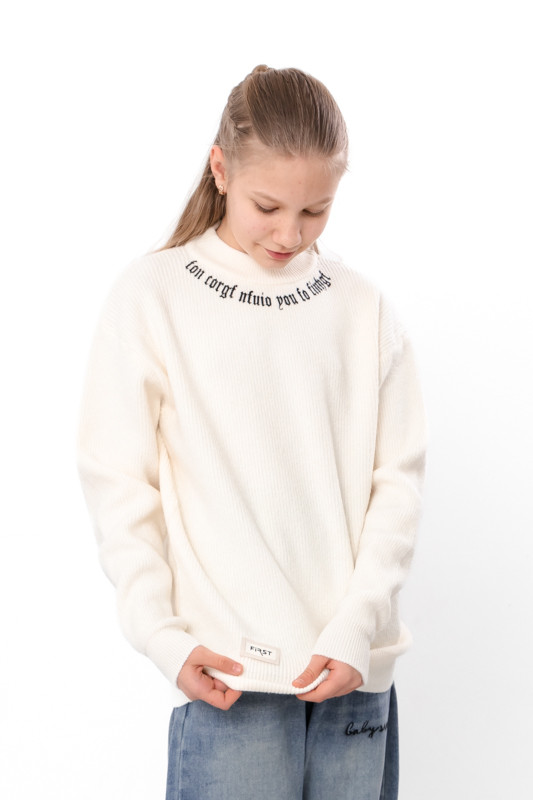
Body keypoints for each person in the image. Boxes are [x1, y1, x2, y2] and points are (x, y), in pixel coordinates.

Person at [77, 65, 426, 800]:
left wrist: (357, 628)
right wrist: (160, 635)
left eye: (315, 211)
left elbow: (396, 486)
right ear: (220, 169)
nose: (289, 234)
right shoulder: (153, 296)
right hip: (231, 680)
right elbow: (120, 484)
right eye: (268, 206)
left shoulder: (362, 309)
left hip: (354, 678)